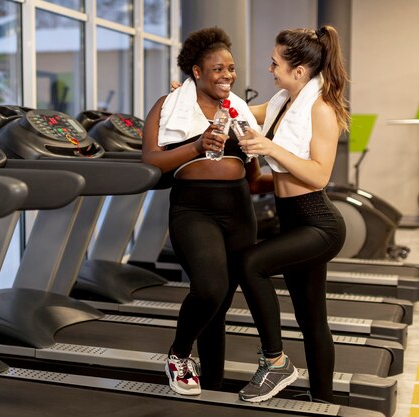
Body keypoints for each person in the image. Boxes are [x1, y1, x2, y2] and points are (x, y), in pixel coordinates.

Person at [142, 26, 272, 396]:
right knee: (209, 290)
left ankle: (213, 387)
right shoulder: (167, 106)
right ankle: (179, 355)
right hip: (193, 207)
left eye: (231, 69)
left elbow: (254, 174)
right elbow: (153, 160)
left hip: (237, 208)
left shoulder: (238, 109)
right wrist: (198, 146)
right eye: (218, 69)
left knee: (221, 306)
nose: (228, 75)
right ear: (196, 72)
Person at [236, 26, 349, 403]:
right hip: (293, 217)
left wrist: (269, 147)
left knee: (251, 264)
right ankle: (323, 402)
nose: (270, 69)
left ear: (299, 70)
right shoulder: (284, 100)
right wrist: (195, 100)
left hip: (318, 222)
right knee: (312, 320)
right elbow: (240, 112)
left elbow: (319, 175)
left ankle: (276, 362)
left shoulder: (321, 109)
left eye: (275, 63)